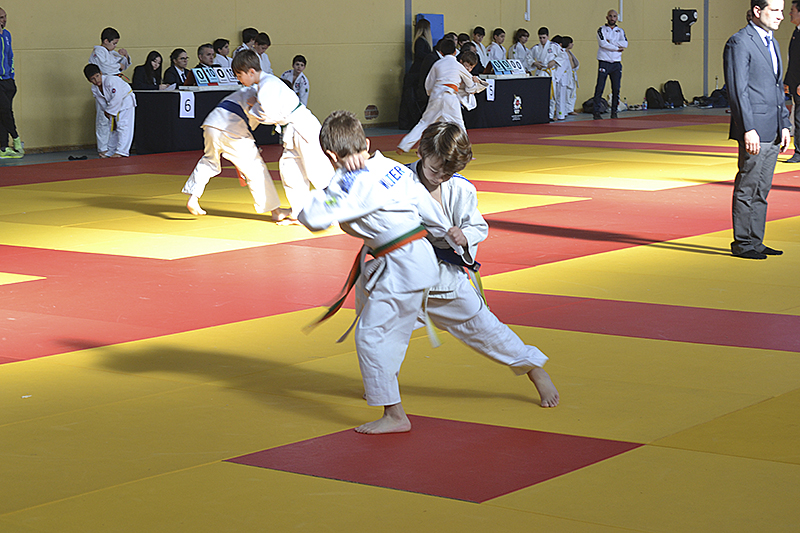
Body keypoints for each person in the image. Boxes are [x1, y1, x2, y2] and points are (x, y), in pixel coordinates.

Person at [297, 110, 465, 434]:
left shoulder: (347, 183)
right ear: (367, 142)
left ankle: (394, 414)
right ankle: (383, 385)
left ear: (330, 154)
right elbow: (423, 203)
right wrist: (448, 232)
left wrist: (331, 188)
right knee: (392, 331)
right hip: (418, 259)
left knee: (371, 335)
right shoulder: (390, 167)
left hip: (401, 266)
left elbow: (314, 218)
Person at [407, 122, 559, 407]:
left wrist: (463, 237)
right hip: (403, 273)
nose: (439, 177)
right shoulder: (399, 181)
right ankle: (383, 388)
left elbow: (478, 226)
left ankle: (533, 367)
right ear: (420, 152)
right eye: (433, 169)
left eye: (448, 173)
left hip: (444, 275)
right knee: (381, 330)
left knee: (485, 328)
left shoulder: (462, 190)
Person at [232, 50, 333, 221]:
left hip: (302, 127)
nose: (239, 80)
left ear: (250, 72)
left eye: (239, 75)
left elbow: (267, 114)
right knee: (290, 169)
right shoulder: (263, 85)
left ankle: (337, 210)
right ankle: (299, 212)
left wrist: (252, 106)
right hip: (291, 130)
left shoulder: (268, 84)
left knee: (317, 170)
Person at [724, 0, 791, 259]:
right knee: (747, 186)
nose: (781, 16)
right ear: (757, 11)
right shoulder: (739, 42)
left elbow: (777, 88)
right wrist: (747, 128)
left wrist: (784, 124)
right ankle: (742, 243)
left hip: (773, 126)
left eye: (782, 10)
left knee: (762, 188)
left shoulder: (771, 42)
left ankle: (756, 240)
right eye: (775, 10)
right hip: (754, 127)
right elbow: (737, 89)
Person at [181, 86, 287, 220]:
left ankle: (194, 197)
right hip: (233, 128)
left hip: (212, 123)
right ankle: (276, 212)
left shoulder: (251, 88)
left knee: (209, 160)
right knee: (256, 169)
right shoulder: (267, 96)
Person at [397, 41, 482, 153]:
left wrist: (432, 94)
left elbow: (428, 84)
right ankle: (465, 152)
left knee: (424, 123)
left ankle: (404, 145)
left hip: (436, 95)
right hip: (450, 97)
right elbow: (470, 86)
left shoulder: (437, 64)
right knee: (459, 125)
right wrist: (475, 83)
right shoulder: (458, 65)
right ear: (455, 52)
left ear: (441, 52)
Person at [89, 27, 131, 158]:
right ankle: (103, 148)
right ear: (105, 41)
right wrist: (119, 66)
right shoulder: (98, 52)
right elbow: (106, 67)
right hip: (102, 85)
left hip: (113, 86)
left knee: (118, 121)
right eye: (114, 43)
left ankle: (114, 149)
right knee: (103, 119)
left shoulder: (109, 52)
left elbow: (124, 64)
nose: (115, 46)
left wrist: (125, 56)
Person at [83, 63, 136, 158]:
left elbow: (117, 97)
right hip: (112, 106)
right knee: (113, 128)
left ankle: (122, 151)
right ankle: (111, 151)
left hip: (125, 101)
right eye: (93, 79)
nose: (96, 80)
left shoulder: (110, 80)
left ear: (101, 73)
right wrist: (106, 111)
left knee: (123, 126)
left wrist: (110, 111)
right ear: (88, 80)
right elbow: (101, 101)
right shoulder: (94, 88)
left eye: (97, 76)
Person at [399, 18, 434, 129]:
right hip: (417, 73)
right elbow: (420, 54)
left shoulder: (420, 40)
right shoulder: (421, 41)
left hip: (416, 72)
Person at [592, 9, 627, 120]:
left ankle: (614, 112)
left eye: (614, 16)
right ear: (607, 17)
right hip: (604, 61)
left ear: (617, 18)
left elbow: (625, 43)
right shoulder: (601, 30)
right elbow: (603, 44)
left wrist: (610, 42)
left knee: (616, 88)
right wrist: (617, 48)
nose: (612, 18)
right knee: (600, 87)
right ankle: (596, 111)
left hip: (616, 63)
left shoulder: (620, 31)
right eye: (610, 16)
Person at [0, 7, 22, 159]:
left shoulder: (7, 35)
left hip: (8, 80)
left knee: (3, 113)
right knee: (5, 110)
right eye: (1, 17)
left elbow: (10, 56)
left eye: (5, 17)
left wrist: (12, 76)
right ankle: (16, 138)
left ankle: (3, 147)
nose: (4, 20)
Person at [527, 27, 561, 120]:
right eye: (540, 38)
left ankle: (550, 115)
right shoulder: (535, 48)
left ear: (548, 36)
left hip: (550, 73)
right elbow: (528, 58)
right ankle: (540, 114)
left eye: (544, 37)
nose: (542, 40)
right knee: (539, 94)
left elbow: (562, 56)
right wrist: (534, 63)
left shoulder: (554, 46)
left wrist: (554, 61)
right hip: (540, 72)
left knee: (551, 95)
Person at [783, 0, 800, 162]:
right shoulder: (796, 32)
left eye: (792, 10)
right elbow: (793, 61)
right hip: (796, 84)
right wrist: (788, 82)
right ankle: (799, 151)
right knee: (798, 119)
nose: (790, 13)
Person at [561, 36, 580, 115]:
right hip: (567, 74)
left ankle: (570, 109)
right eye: (571, 43)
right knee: (567, 93)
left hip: (571, 74)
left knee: (572, 93)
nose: (572, 44)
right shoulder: (563, 52)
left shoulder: (569, 52)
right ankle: (566, 110)